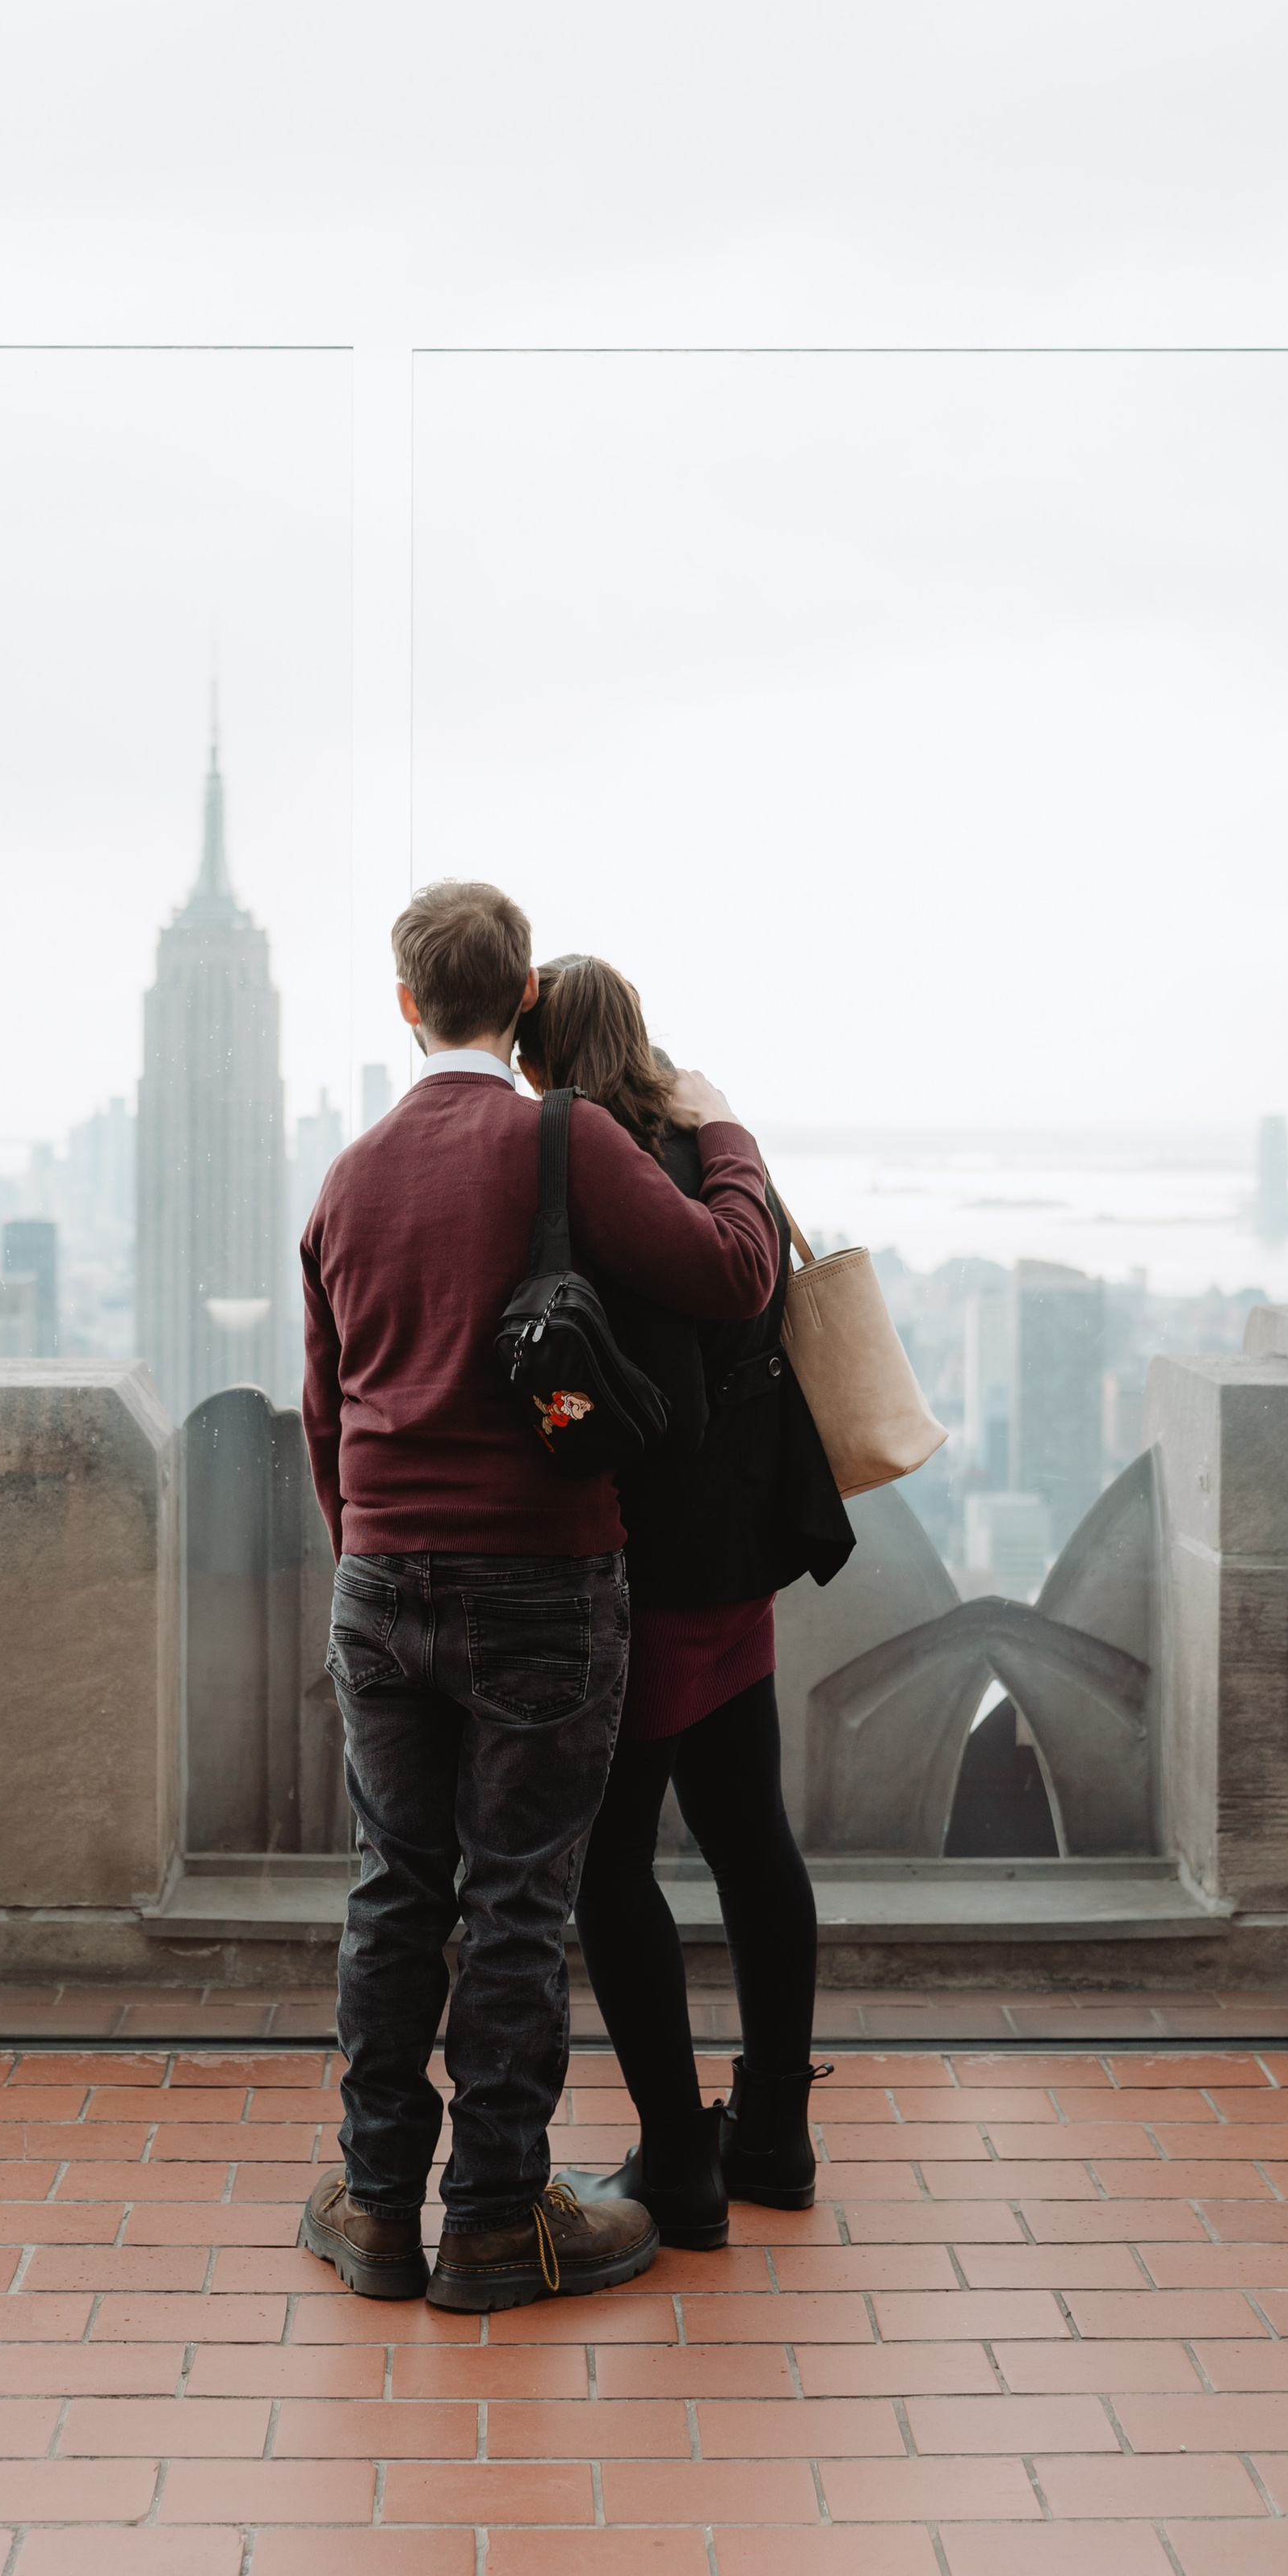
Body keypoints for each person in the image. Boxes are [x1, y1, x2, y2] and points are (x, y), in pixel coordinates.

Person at [296, 880, 782, 2311]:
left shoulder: (345, 1178)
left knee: (397, 1891)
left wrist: (373, 1561)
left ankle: (377, 2206)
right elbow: (734, 1271)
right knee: (517, 1902)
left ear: (404, 1005)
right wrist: (728, 1133)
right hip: (544, 1583)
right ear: (519, 1004)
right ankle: (499, 2220)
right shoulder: (557, 1142)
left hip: (381, 1581)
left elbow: (325, 1417)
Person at [513, 954, 854, 2246]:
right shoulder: (700, 1152)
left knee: (611, 1866)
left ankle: (679, 2161)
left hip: (642, 1573)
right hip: (736, 1568)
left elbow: (683, 1353)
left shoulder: (601, 1171)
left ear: (547, 1059)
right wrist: (727, 1129)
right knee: (749, 1838)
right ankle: (774, 2128)